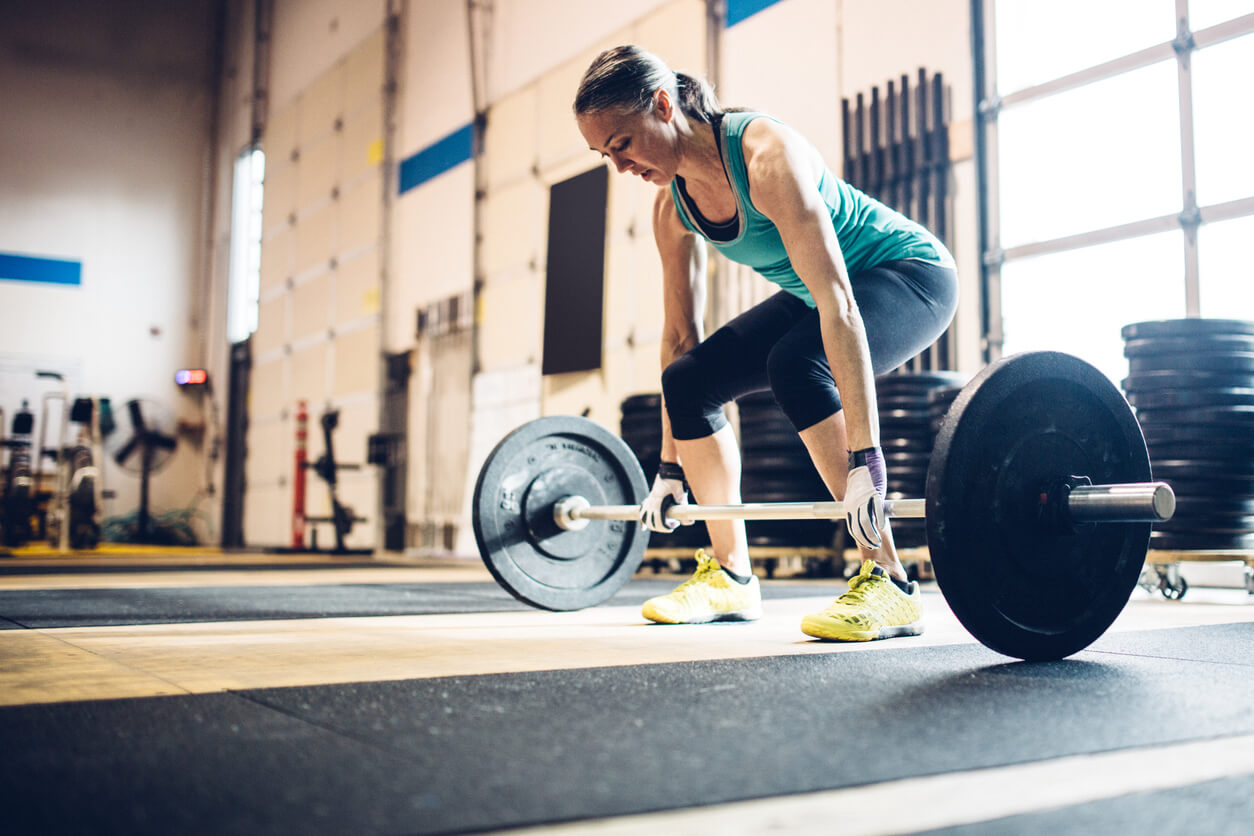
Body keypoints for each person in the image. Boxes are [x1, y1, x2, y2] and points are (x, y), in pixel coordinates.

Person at [573, 46, 958, 641]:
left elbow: (840, 305)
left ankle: (890, 581)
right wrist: (670, 467)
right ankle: (731, 576)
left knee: (797, 364)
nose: (618, 166)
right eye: (605, 153)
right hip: (821, 296)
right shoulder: (671, 208)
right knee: (688, 381)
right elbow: (679, 337)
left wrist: (867, 463)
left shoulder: (766, 157)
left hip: (908, 273)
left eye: (622, 143)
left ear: (662, 104)